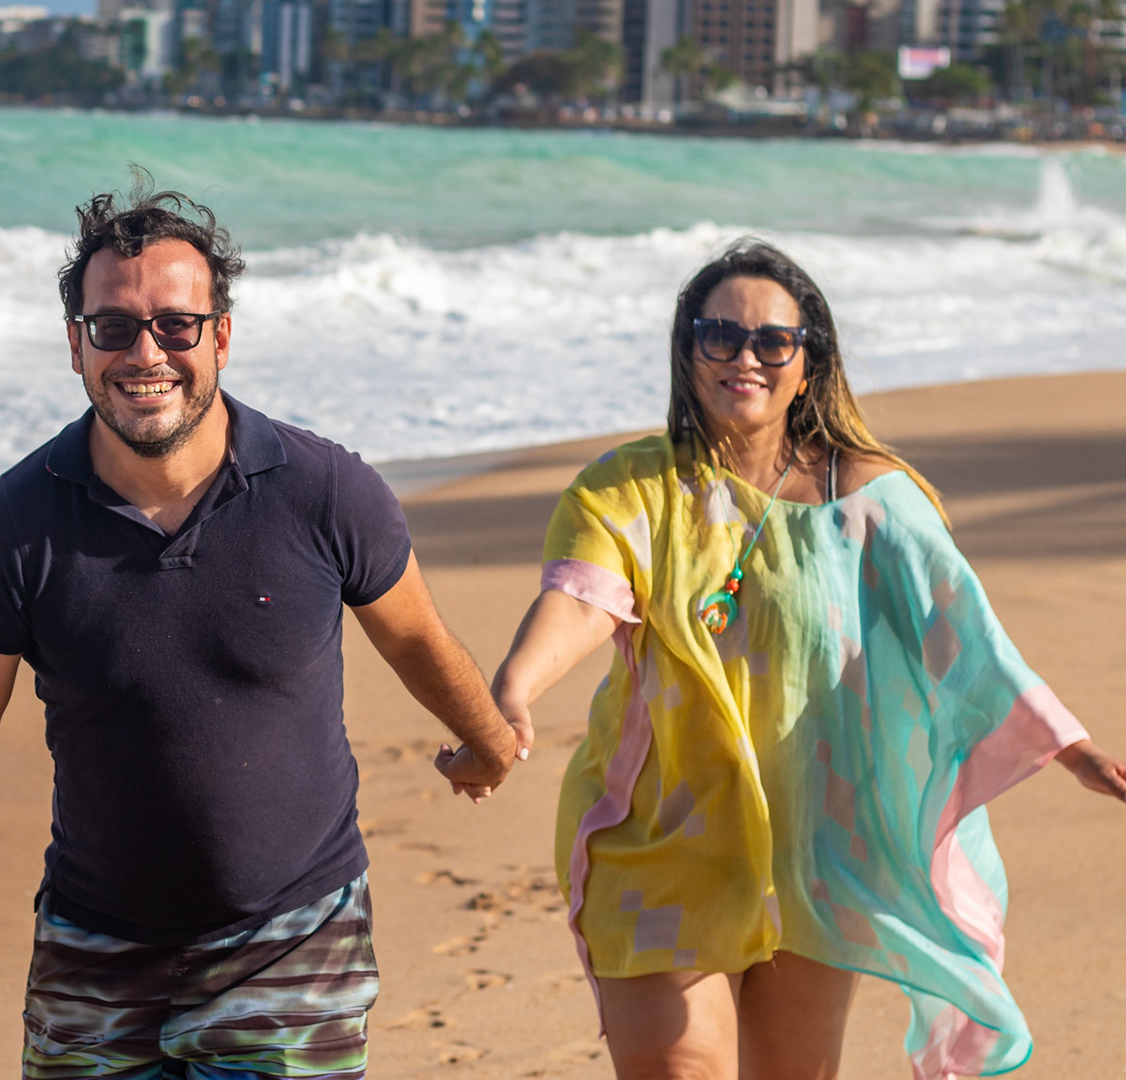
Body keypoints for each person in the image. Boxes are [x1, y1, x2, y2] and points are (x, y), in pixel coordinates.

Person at [0, 179, 525, 1080]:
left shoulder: (324, 491)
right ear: (75, 345)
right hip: (91, 946)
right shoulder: (18, 523)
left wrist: (490, 743)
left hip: (294, 940)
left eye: (176, 325)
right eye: (113, 327)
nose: (145, 352)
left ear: (221, 337)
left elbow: (417, 641)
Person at [467, 238, 1126, 1080]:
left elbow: (963, 636)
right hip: (660, 838)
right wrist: (514, 687)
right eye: (721, 335)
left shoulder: (872, 500)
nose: (746, 358)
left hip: (813, 852)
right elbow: (582, 597)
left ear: (807, 363)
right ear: (688, 351)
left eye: (773, 341)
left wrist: (1071, 748)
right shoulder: (629, 487)